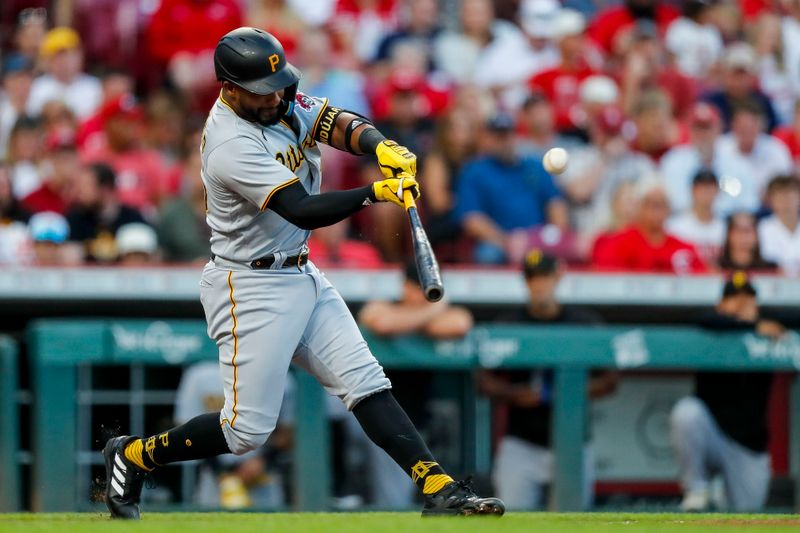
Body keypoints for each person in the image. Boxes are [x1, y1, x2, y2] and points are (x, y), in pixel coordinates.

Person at [102, 27, 504, 519]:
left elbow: (334, 122)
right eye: (263, 92)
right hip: (248, 284)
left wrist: (379, 146)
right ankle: (133, 455)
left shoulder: (277, 97)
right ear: (230, 89)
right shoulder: (229, 141)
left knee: (365, 380)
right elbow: (301, 208)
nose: (277, 99)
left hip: (300, 271)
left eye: (280, 88)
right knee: (244, 432)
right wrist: (373, 194)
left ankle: (438, 487)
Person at [478, 250, 617, 510]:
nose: (539, 285)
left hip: (573, 442)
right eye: (533, 279)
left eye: (545, 277)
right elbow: (483, 379)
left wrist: (569, 392)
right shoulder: (509, 324)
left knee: (571, 524)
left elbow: (610, 378)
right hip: (522, 442)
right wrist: (514, 393)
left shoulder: (583, 323)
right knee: (510, 521)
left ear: (558, 277)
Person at [671, 272, 783, 511]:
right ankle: (697, 488)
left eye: (747, 300)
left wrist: (759, 322)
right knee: (686, 413)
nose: (741, 305)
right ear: (720, 304)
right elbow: (700, 318)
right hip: (711, 432)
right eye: (735, 299)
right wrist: (749, 324)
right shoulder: (712, 327)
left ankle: (720, 489)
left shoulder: (768, 328)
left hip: (747, 443)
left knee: (749, 515)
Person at [455, 112, 568, 265]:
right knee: (488, 255)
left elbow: (555, 204)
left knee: (568, 249)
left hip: (537, 238)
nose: (504, 141)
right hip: (499, 242)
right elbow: (471, 219)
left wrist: (554, 236)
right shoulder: (475, 172)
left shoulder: (534, 166)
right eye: (498, 136)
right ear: (488, 138)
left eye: (508, 135)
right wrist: (507, 242)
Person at [592, 177, 707, 274]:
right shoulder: (616, 245)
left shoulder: (683, 249)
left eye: (662, 205)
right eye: (652, 204)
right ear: (639, 207)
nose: (657, 212)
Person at [66, 163, 147, 263]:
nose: (80, 192)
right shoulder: (76, 220)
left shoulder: (133, 220)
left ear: (105, 189)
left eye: (86, 186)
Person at [25, 27, 102, 120]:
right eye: (59, 56)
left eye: (71, 54)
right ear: (48, 61)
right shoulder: (38, 88)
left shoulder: (94, 87)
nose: (66, 61)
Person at [666, 169, 725, 266]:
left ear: (717, 191)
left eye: (710, 188)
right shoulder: (675, 227)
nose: (706, 193)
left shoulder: (724, 227)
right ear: (692, 190)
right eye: (701, 188)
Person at [757, 175, 800, 276]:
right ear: (770, 199)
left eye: (789, 193)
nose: (785, 199)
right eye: (779, 194)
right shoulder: (762, 228)